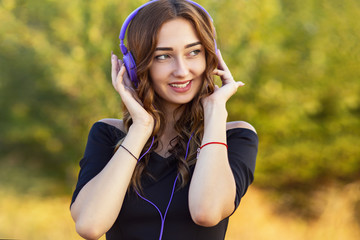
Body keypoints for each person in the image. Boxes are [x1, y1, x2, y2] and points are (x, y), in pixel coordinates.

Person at [70, 0, 258, 239]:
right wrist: (141, 128)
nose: (181, 70)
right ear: (134, 65)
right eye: (163, 56)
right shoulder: (107, 134)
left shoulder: (236, 136)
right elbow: (90, 225)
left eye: (193, 52)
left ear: (211, 58)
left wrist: (216, 110)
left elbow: (207, 212)